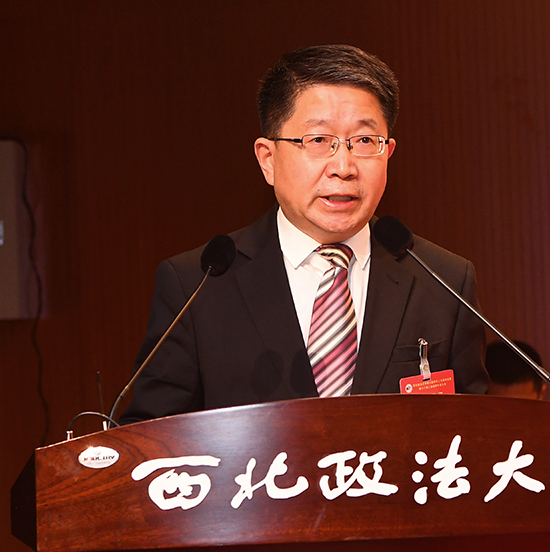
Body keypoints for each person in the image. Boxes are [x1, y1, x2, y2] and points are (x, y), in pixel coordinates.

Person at [119, 45, 488, 424]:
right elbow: (149, 440)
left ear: (388, 152)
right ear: (268, 160)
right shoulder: (198, 285)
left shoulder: (443, 280)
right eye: (318, 140)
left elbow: (480, 434)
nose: (343, 167)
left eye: (364, 141)